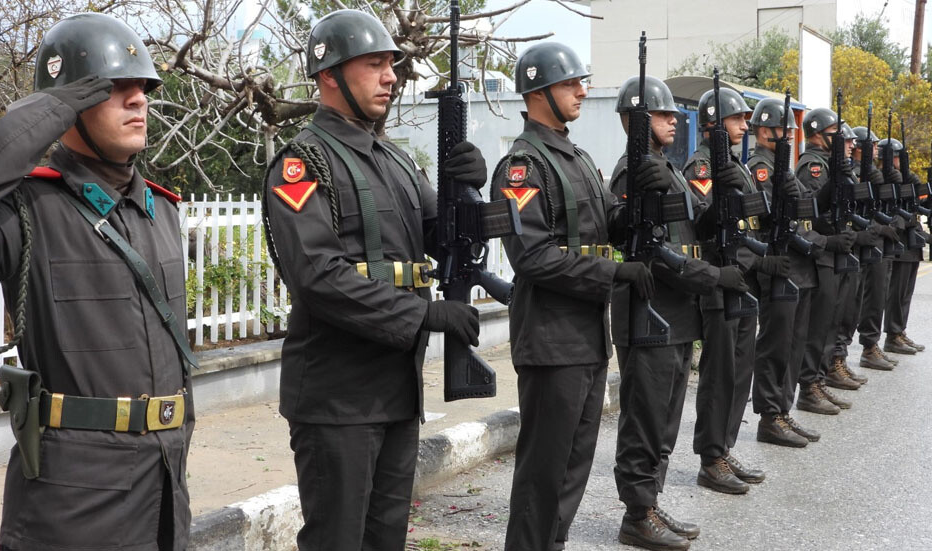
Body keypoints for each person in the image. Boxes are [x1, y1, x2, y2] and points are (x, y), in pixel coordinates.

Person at [261, 10, 483, 549]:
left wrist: (471, 197)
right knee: (338, 540)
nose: (391, 77)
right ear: (329, 76)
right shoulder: (302, 163)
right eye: (375, 64)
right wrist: (424, 314)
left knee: (385, 540)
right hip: (338, 397)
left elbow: (447, 240)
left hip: (397, 391)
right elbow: (318, 275)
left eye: (392, 65)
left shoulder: (397, 162)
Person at [0, 13, 195, 550]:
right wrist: (50, 107)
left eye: (141, 87)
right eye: (114, 88)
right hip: (74, 497)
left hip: (165, 485)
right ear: (70, 103)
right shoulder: (26, 210)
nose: (138, 99)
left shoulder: (161, 213)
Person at [492, 42, 653, 551]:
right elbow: (533, 257)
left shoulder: (577, 157)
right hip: (549, 338)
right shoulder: (522, 166)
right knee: (544, 476)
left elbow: (609, 225)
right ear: (538, 92)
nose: (583, 91)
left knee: (571, 471)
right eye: (570, 84)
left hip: (586, 337)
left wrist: (640, 202)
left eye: (581, 82)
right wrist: (614, 273)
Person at [610, 75, 747, 551]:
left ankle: (649, 502)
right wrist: (711, 278)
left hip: (675, 315)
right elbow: (648, 248)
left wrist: (720, 204)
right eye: (665, 113)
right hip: (649, 313)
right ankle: (636, 513)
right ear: (638, 119)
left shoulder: (664, 168)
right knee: (644, 419)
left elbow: (690, 230)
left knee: (665, 418)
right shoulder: (634, 173)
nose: (675, 120)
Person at [683, 87, 770, 493]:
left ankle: (726, 445)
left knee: (739, 372)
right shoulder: (702, 167)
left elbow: (755, 218)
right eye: (737, 119)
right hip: (718, 281)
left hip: (744, 276)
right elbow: (703, 222)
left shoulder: (738, 165)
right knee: (718, 375)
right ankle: (710, 456)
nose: (744, 125)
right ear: (716, 123)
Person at [746, 97, 825, 448]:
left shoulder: (784, 168)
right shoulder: (760, 167)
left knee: (794, 344)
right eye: (782, 130)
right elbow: (768, 216)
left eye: (791, 130)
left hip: (796, 266)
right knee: (776, 345)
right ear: (764, 131)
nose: (789, 136)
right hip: (777, 262)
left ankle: (783, 409)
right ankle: (769, 415)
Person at [794, 108, 857, 417]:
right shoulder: (813, 165)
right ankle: (809, 386)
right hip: (819, 253)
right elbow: (811, 212)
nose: (842, 139)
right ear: (817, 134)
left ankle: (818, 380)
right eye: (835, 132)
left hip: (832, 251)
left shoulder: (830, 163)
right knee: (817, 327)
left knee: (829, 322)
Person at [849, 129, 899, 372]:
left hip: (875, 240)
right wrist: (877, 228)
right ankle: (863, 348)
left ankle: (871, 345)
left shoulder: (874, 172)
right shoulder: (854, 172)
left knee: (877, 294)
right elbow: (856, 210)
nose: (877, 149)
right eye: (874, 145)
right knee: (856, 300)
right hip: (861, 240)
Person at [879, 137, 927, 356]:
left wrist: (911, 180)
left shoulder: (904, 178)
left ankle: (899, 331)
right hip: (897, 240)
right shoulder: (881, 179)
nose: (899, 161)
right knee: (896, 293)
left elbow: (919, 201)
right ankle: (892, 334)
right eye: (896, 157)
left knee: (906, 292)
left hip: (911, 241)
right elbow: (887, 210)